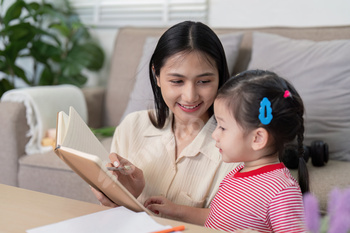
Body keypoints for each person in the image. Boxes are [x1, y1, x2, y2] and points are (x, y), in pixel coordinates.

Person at [91, 20, 239, 224]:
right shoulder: (132, 126)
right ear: (157, 76)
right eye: (177, 81)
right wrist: (122, 197)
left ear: (220, 78)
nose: (189, 96)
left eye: (204, 81)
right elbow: (114, 217)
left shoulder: (237, 148)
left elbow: (233, 222)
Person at [145, 70, 309, 232]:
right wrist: (176, 210)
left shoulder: (281, 191)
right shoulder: (238, 172)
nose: (215, 135)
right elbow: (218, 218)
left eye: (222, 127)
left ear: (257, 138)